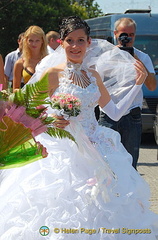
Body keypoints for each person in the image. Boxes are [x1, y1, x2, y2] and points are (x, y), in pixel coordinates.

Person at [1, 16, 158, 240]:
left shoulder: (93, 75)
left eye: (81, 40)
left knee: (105, 200)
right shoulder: (54, 74)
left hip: (96, 143)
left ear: (89, 43)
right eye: (70, 41)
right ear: (61, 43)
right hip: (62, 146)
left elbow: (113, 112)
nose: (75, 46)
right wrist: (50, 119)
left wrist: (137, 85)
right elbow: (26, 109)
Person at [99, 17, 157, 170]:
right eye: (124, 34)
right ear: (115, 34)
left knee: (130, 164)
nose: (127, 38)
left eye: (131, 35)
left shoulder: (143, 57)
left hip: (132, 115)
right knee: (106, 162)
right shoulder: (105, 57)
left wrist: (135, 59)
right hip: (109, 115)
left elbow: (152, 86)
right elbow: (95, 85)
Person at [13, 25, 47, 91]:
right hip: (27, 99)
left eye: (37, 40)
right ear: (26, 41)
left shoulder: (49, 61)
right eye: (31, 41)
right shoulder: (20, 63)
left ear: (42, 41)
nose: (34, 44)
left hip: (46, 99)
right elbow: (15, 88)